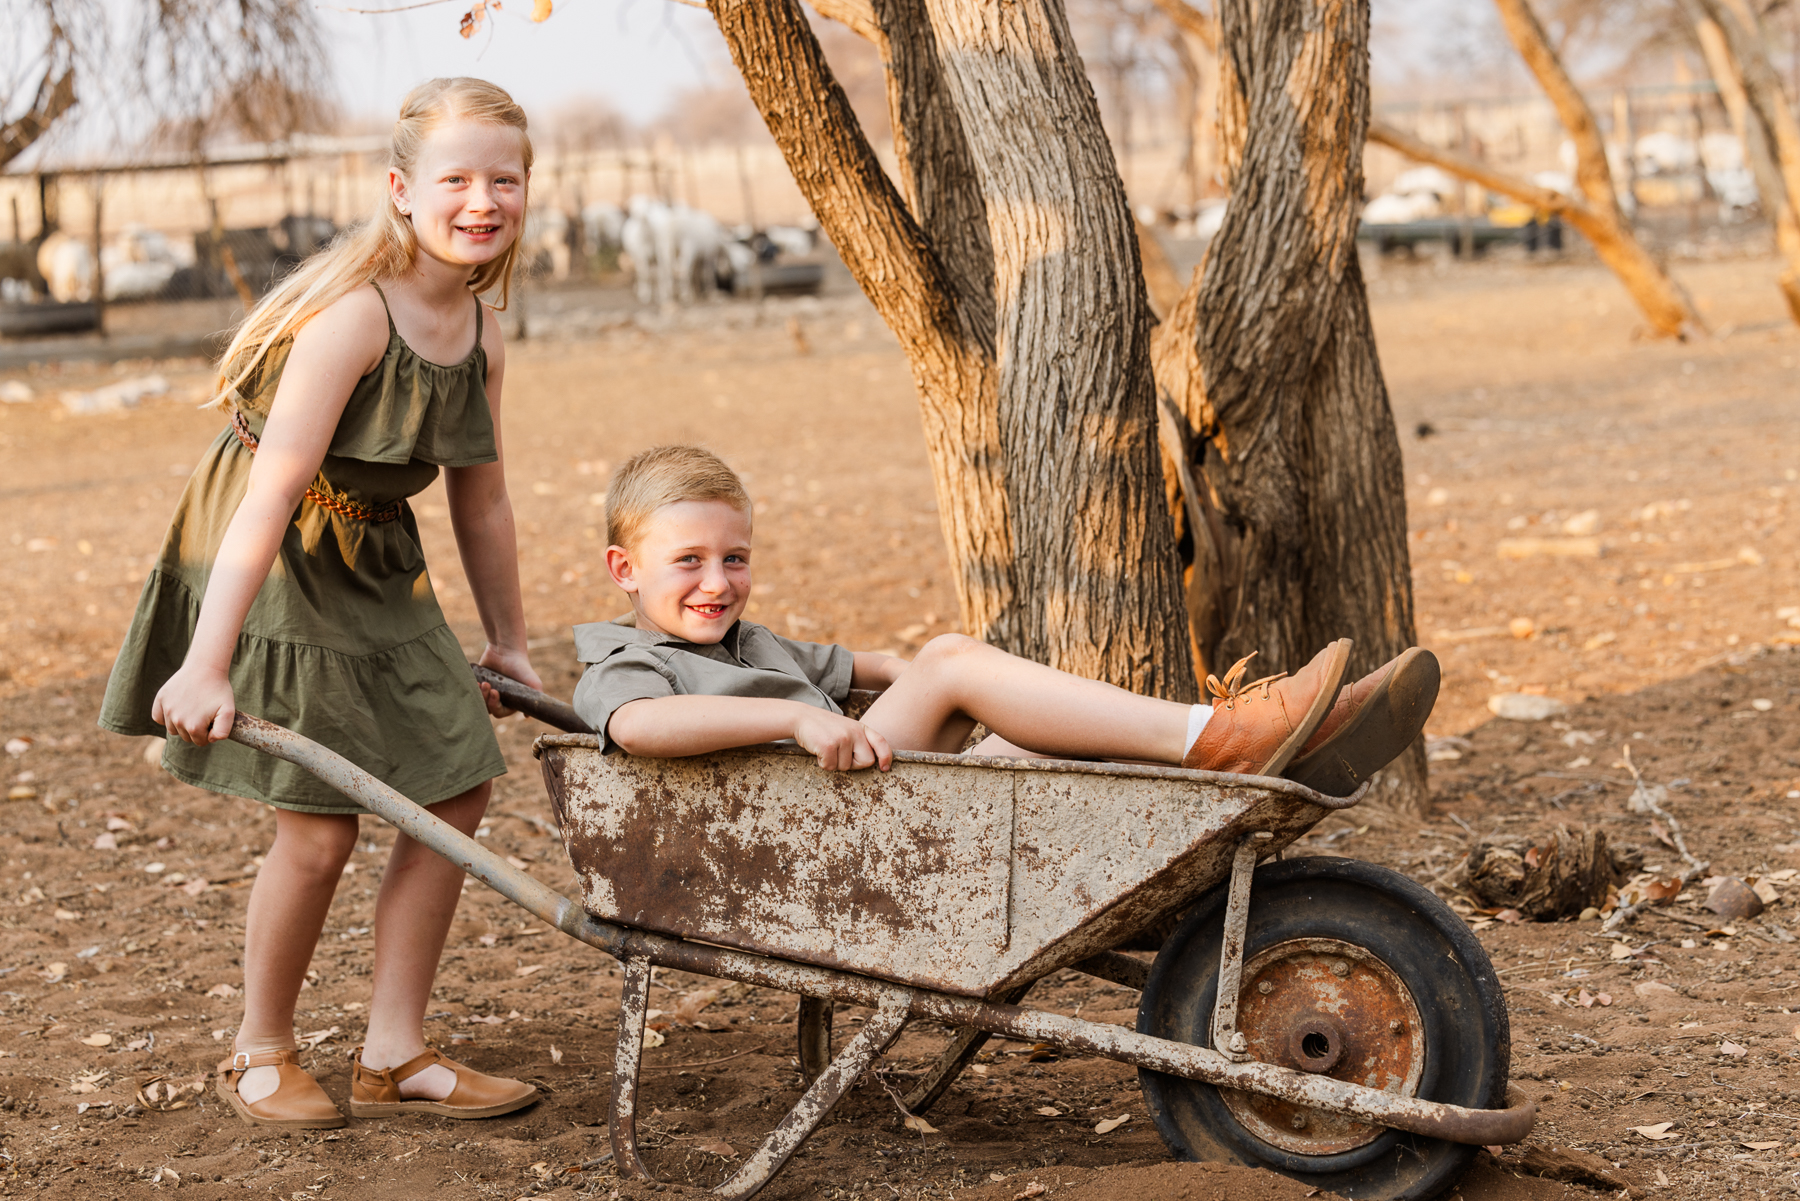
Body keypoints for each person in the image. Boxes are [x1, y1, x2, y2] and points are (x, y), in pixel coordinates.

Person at [99, 78, 544, 1129]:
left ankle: (395, 1049)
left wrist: (512, 640)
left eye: (505, 179)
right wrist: (206, 663)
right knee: (319, 824)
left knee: (455, 784)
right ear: (401, 190)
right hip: (281, 551)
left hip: (378, 557)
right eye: (456, 178)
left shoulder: (483, 332)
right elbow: (268, 498)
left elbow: (482, 496)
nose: (482, 198)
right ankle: (260, 1048)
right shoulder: (355, 318)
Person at [571, 446, 1437, 788]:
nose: (716, 582)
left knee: (1028, 738)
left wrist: (993, 695)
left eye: (735, 558)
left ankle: (1265, 769)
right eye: (686, 562)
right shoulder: (624, 658)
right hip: (802, 834)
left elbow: (872, 663)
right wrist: (798, 715)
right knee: (950, 661)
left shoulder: (743, 641)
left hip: (854, 793)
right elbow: (642, 726)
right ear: (624, 570)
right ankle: (1220, 738)